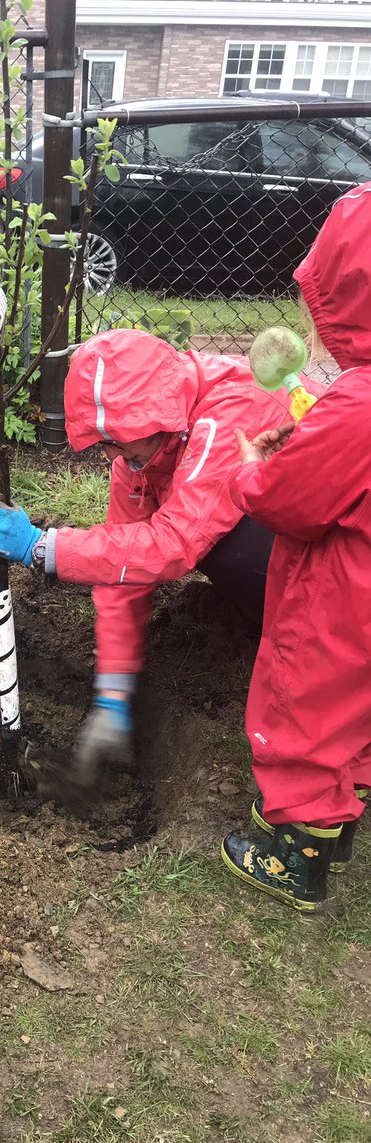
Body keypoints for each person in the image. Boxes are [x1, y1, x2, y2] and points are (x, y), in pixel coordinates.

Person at [0, 326, 299, 788]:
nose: (110, 452)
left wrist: (43, 547)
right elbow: (122, 565)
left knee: (228, 544)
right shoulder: (139, 457)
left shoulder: (231, 413)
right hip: (288, 554)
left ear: (159, 418)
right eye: (105, 441)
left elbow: (173, 544)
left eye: (119, 439)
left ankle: (291, 633)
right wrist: (112, 692)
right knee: (183, 542)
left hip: (342, 568)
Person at [221, 183, 371, 911]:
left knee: (305, 706)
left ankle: (296, 859)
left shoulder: (358, 406)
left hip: (341, 598)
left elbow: (293, 503)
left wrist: (259, 467)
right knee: (359, 711)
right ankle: (341, 821)